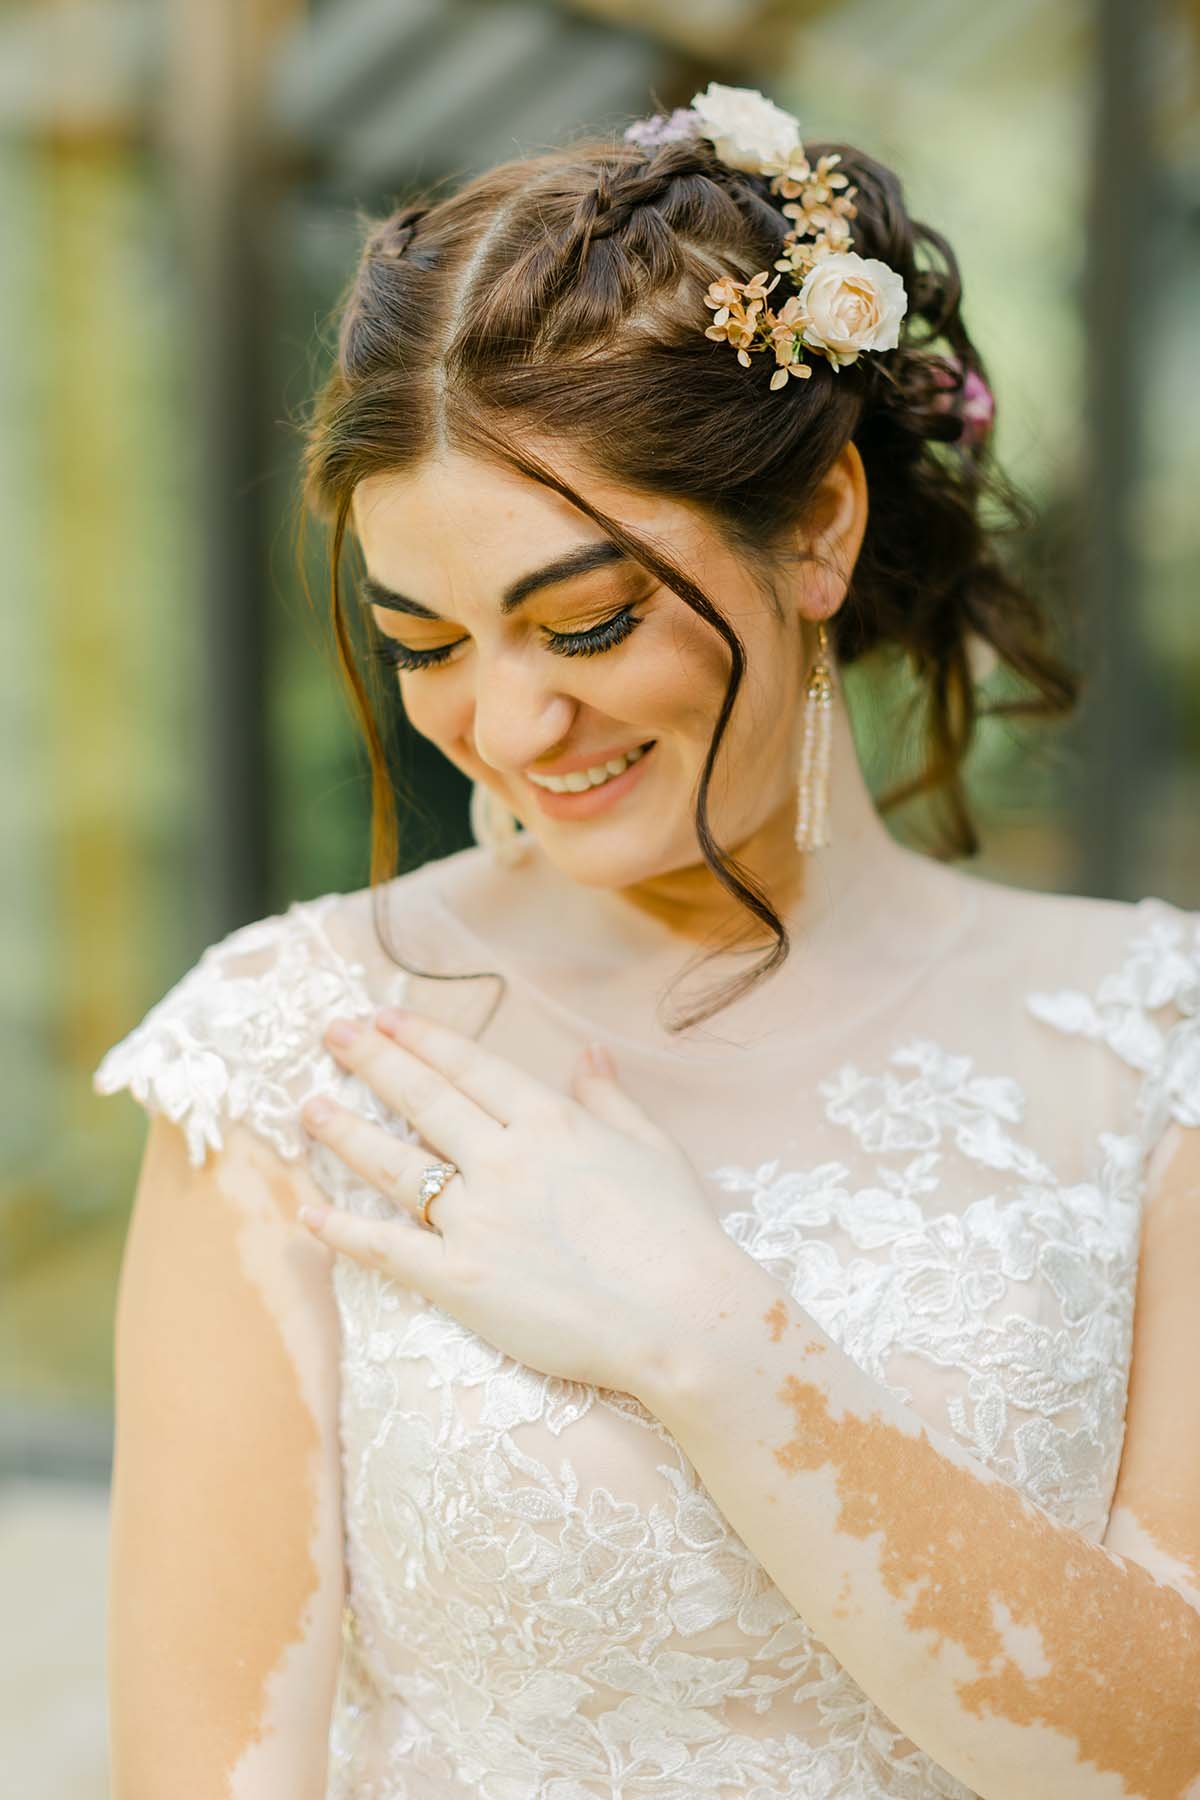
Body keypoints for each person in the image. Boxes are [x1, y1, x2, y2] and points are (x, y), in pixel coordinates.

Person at [92, 84, 1200, 1800]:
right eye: (426, 641)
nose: (510, 724)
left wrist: (707, 1335)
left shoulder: (1153, 1045)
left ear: (819, 526)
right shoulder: (286, 1047)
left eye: (586, 620)